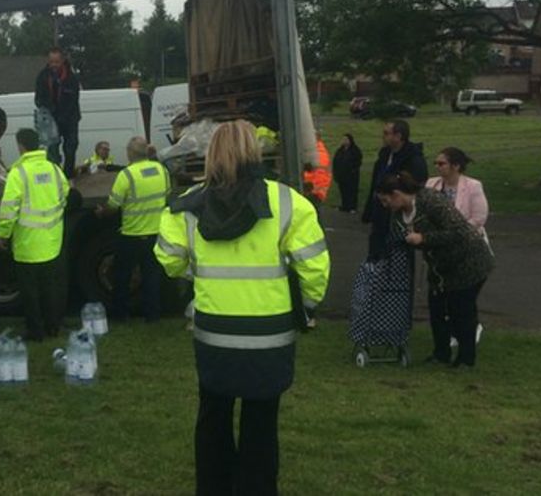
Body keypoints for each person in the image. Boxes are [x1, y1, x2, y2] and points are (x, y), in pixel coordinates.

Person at [155, 120, 330, 495]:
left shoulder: (185, 206)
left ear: (210, 153)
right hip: (271, 338)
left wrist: (199, 274)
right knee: (261, 424)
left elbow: (169, 260)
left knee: (212, 417)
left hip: (213, 335)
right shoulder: (288, 202)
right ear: (254, 150)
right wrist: (305, 308)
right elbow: (314, 267)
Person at [376, 172, 493, 368]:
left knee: (461, 310)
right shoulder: (398, 214)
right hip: (440, 266)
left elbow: (459, 231)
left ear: (397, 194)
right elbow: (397, 237)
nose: (384, 205)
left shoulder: (431, 201)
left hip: (468, 261)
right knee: (437, 308)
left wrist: (424, 238)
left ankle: (465, 358)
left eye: (386, 200)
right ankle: (441, 354)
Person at [0, 128, 69, 341]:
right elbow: (65, 195)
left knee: (30, 292)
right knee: (50, 288)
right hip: (52, 241)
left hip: (27, 244)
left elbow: (8, 209)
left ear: (21, 146)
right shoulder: (54, 169)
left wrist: (2, 234)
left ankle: (35, 331)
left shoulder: (18, 174)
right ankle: (52, 326)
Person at [96, 136, 169, 322]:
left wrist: (100, 212)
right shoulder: (161, 170)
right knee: (151, 276)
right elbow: (167, 194)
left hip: (132, 235)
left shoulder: (126, 175)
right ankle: (153, 316)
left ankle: (121, 314)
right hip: (155, 233)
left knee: (122, 276)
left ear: (130, 154)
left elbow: (113, 205)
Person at [362, 119, 427, 259]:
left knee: (397, 256)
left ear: (398, 136)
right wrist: (369, 211)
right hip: (380, 212)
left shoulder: (413, 159)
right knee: (376, 253)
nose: (383, 136)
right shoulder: (384, 155)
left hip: (398, 216)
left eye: (386, 133)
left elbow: (416, 187)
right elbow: (376, 182)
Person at [35, 47, 82, 177]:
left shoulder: (72, 79)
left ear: (62, 61)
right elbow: (38, 99)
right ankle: (55, 175)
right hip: (51, 118)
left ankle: (68, 175)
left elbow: (73, 100)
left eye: (56, 62)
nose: (54, 65)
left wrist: (63, 116)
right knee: (52, 150)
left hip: (70, 118)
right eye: (51, 62)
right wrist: (50, 111)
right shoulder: (43, 76)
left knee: (70, 148)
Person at [426, 147, 489, 241]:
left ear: (456, 166)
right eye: (435, 163)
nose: (437, 167)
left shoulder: (473, 186)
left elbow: (479, 218)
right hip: (439, 239)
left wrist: (456, 233)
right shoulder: (431, 184)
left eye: (441, 164)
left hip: (468, 239)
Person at [332, 133, 363, 213]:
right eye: (343, 139)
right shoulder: (340, 150)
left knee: (352, 191)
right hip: (342, 175)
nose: (344, 141)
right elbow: (335, 161)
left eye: (346, 139)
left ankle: (352, 207)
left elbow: (358, 161)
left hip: (351, 176)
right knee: (343, 191)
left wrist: (353, 169)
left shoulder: (355, 150)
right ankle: (345, 206)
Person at [302, 131, 331, 205]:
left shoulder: (318, 153)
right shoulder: (316, 151)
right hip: (314, 192)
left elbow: (320, 175)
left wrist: (311, 190)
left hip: (314, 193)